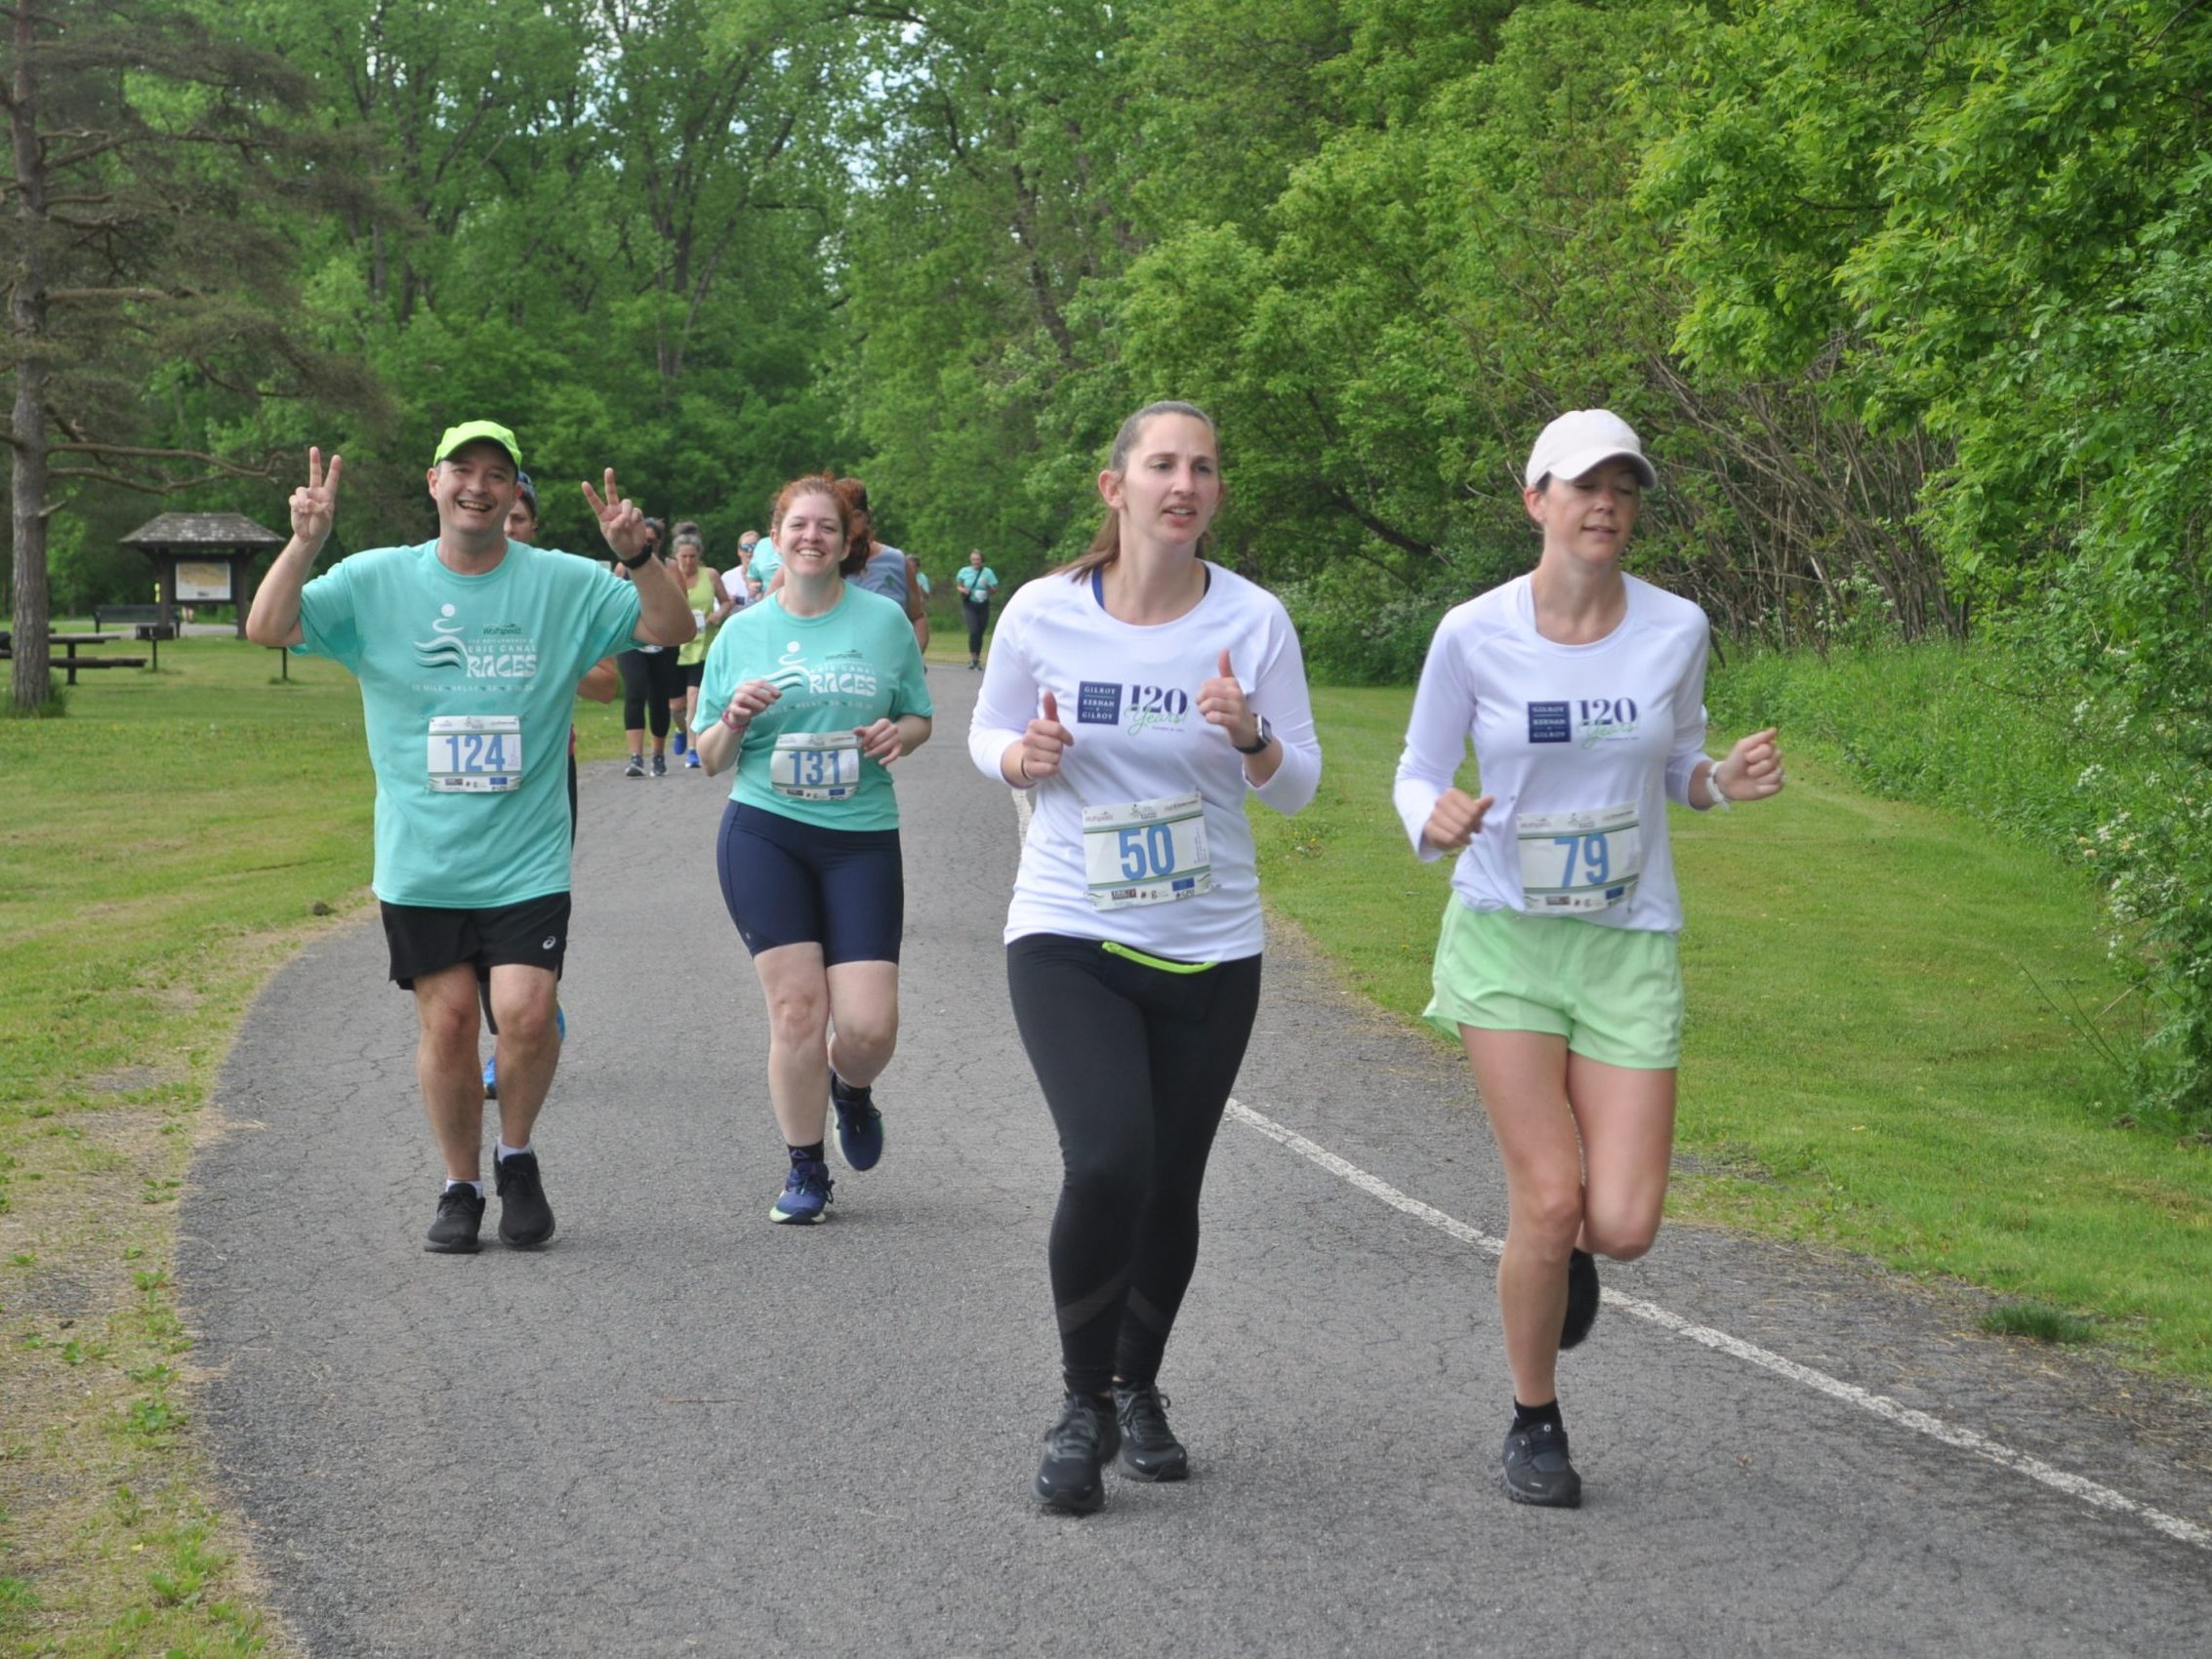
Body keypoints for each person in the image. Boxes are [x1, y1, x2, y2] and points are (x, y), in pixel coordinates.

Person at [1393, 409, 1783, 1509]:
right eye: (1581, 485)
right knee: (1548, 1196)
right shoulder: (1472, 631)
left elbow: (1680, 763)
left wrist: (1719, 782)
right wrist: (1441, 816)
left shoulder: (1675, 627)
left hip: (1626, 942)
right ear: (1536, 502)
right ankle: (1534, 1417)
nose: (1603, 502)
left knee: (1621, 1224)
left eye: (1622, 485)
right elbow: (1416, 769)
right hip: (1506, 937)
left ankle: (1562, 1249)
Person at [968, 400, 1321, 1515]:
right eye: (1161, 463)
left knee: (1172, 1181)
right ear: (1114, 485)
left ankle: (1140, 1384)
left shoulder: (1253, 621)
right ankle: (1080, 1402)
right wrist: (1020, 756)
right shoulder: (1041, 611)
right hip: (1071, 927)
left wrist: (1249, 734)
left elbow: (1299, 780)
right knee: (1110, 1157)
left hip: (1210, 943)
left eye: (1202, 467)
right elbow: (989, 732)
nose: (1183, 482)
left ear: (1215, 494)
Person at [245, 422, 693, 1252]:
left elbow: (670, 629)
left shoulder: (559, 583)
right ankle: (460, 1186)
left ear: (515, 494)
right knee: (449, 1025)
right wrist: (305, 543)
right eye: (463, 471)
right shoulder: (378, 579)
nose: (478, 487)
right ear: (434, 482)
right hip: (422, 857)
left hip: (523, 856)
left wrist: (638, 557)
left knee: (525, 1014)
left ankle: (515, 1155)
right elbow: (268, 628)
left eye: (497, 475)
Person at [693, 472, 932, 1225]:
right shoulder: (741, 633)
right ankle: (805, 1167)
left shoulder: (883, 622)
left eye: (825, 527)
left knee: (865, 1027)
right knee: (797, 1010)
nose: (810, 538)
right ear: (774, 538)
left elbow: (918, 717)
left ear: (846, 540)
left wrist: (902, 734)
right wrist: (732, 716)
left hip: (859, 837)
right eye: (796, 526)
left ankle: (851, 1087)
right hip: (766, 830)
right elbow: (708, 757)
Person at [478, 474, 618, 1101]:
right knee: (464, 913)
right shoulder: (443, 588)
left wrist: (547, 656)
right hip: (457, 783)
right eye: (499, 516)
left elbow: (606, 683)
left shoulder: (557, 591)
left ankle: (525, 1017)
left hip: (539, 776)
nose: (506, 527)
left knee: (528, 899)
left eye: (518, 519)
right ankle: (507, 1026)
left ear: (531, 527)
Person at [616, 517, 684, 776]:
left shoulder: (670, 567)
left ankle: (657, 754)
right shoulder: (623, 568)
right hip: (632, 638)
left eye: (652, 542)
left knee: (658, 697)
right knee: (635, 691)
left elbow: (681, 606)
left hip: (663, 639)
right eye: (642, 540)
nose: (647, 545)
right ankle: (635, 757)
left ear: (659, 543)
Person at [837, 477, 929, 657]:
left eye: (855, 516)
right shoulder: (819, 563)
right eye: (842, 518)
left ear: (867, 516)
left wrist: (912, 662)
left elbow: (918, 618)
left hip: (889, 672)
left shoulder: (895, 561)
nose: (849, 526)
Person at [670, 524, 731, 770]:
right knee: (676, 705)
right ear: (676, 557)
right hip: (675, 646)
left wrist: (718, 614)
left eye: (692, 557)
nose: (688, 562)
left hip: (704, 645)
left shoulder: (711, 575)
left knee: (694, 696)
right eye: (683, 557)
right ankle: (681, 729)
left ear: (699, 556)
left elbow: (727, 602)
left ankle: (693, 749)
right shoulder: (668, 577)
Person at [955, 548, 1000, 668]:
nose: (976, 562)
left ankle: (977, 659)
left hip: (983, 605)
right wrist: (963, 590)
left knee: (980, 632)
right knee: (974, 630)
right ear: (970, 560)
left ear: (982, 560)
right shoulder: (964, 571)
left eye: (978, 559)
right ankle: (973, 658)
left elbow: (994, 590)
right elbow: (959, 585)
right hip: (969, 604)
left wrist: (988, 586)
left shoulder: (988, 572)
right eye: (974, 559)